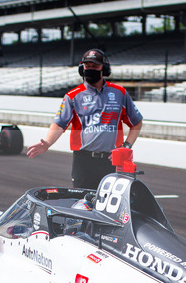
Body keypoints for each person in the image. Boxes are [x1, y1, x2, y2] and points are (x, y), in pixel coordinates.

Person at [26, 49, 143, 189]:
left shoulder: (119, 93)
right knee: (82, 203)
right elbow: (59, 124)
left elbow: (136, 122)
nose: (90, 69)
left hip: (111, 160)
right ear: (82, 68)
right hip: (84, 161)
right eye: (87, 66)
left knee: (110, 204)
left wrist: (126, 146)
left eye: (95, 66)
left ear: (104, 68)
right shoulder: (73, 96)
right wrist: (47, 143)